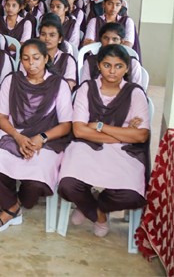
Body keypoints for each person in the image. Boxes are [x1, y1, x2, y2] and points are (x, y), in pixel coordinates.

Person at [57, 44, 149, 237]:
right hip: (88, 146)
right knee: (68, 184)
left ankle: (89, 205)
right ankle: (99, 215)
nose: (113, 71)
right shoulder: (86, 89)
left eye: (118, 66)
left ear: (127, 68)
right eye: (107, 65)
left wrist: (99, 126)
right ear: (98, 66)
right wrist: (123, 132)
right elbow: (80, 130)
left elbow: (141, 135)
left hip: (124, 151)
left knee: (131, 194)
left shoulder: (135, 92)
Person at [0, 39, 73, 232]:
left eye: (36, 58)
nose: (31, 63)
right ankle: (13, 207)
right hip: (15, 132)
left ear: (46, 58)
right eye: (25, 59)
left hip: (47, 137)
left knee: (37, 176)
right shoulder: (12, 80)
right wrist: (18, 137)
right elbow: (0, 117)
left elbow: (66, 125)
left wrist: (41, 138)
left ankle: (14, 202)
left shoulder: (59, 84)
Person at [34, 14, 78, 90]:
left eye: (52, 35)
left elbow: (68, 88)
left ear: (60, 39)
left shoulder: (68, 60)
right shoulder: (31, 56)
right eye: (43, 34)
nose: (47, 38)